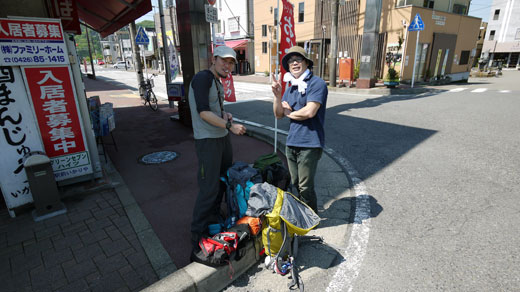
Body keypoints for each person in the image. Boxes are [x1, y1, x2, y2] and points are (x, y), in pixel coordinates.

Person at [188, 46, 247, 258]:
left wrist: (224, 114)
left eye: (231, 63)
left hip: (221, 139)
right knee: (208, 189)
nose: (228, 66)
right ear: (214, 59)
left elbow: (212, 110)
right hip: (208, 141)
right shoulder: (203, 78)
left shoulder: (216, 80)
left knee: (223, 181)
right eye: (224, 61)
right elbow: (203, 112)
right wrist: (230, 126)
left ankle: (214, 222)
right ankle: (196, 239)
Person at [271, 46, 328, 213]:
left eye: (298, 59)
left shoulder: (316, 83)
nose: (294, 63)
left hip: (310, 143)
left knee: (305, 186)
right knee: (295, 184)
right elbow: (278, 114)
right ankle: (301, 216)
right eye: (290, 61)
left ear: (306, 63)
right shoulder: (290, 88)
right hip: (292, 142)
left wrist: (290, 112)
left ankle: (312, 218)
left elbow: (310, 111)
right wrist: (277, 96)